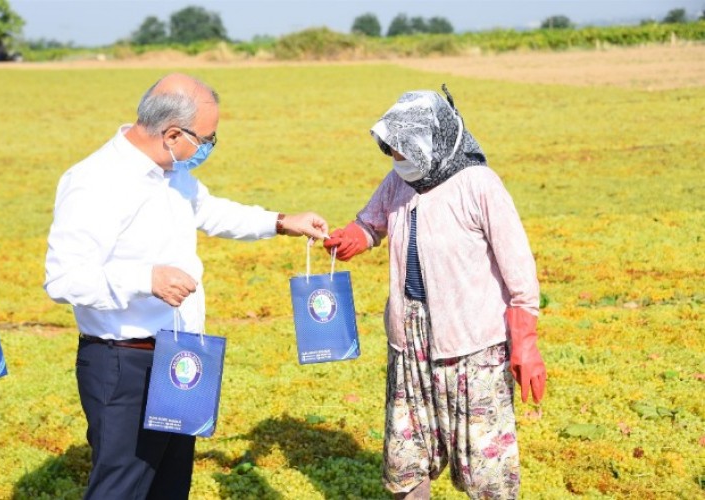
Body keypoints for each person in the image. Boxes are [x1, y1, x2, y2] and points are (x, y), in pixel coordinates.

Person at [44, 73, 328, 499]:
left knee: (170, 486)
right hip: (125, 365)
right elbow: (63, 277)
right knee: (121, 487)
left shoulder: (170, 172)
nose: (210, 148)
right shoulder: (95, 182)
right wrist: (145, 279)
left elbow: (209, 210)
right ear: (173, 134)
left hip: (179, 359)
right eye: (208, 139)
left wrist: (281, 222)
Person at [323, 86, 546, 499]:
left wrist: (525, 343)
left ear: (434, 141)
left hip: (472, 345)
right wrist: (356, 235)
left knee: (487, 471)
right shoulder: (399, 182)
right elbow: (372, 222)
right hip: (410, 341)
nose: (396, 160)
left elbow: (519, 271)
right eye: (391, 151)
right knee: (406, 460)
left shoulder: (479, 185)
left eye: (404, 150)